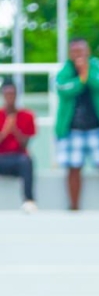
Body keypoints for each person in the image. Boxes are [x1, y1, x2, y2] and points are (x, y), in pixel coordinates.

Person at [55, 39, 99, 210]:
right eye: (74, 51)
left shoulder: (98, 67)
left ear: (88, 51)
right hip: (73, 130)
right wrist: (81, 78)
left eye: (81, 50)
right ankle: (74, 206)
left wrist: (87, 73)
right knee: (73, 168)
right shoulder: (65, 71)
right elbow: (64, 89)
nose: (78, 54)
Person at [0, 79, 37, 213]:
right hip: (1, 158)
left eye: (12, 93)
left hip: (18, 158)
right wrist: (5, 131)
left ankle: (29, 201)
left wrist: (14, 129)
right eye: (7, 93)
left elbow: (25, 144)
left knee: (27, 161)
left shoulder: (27, 116)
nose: (10, 96)